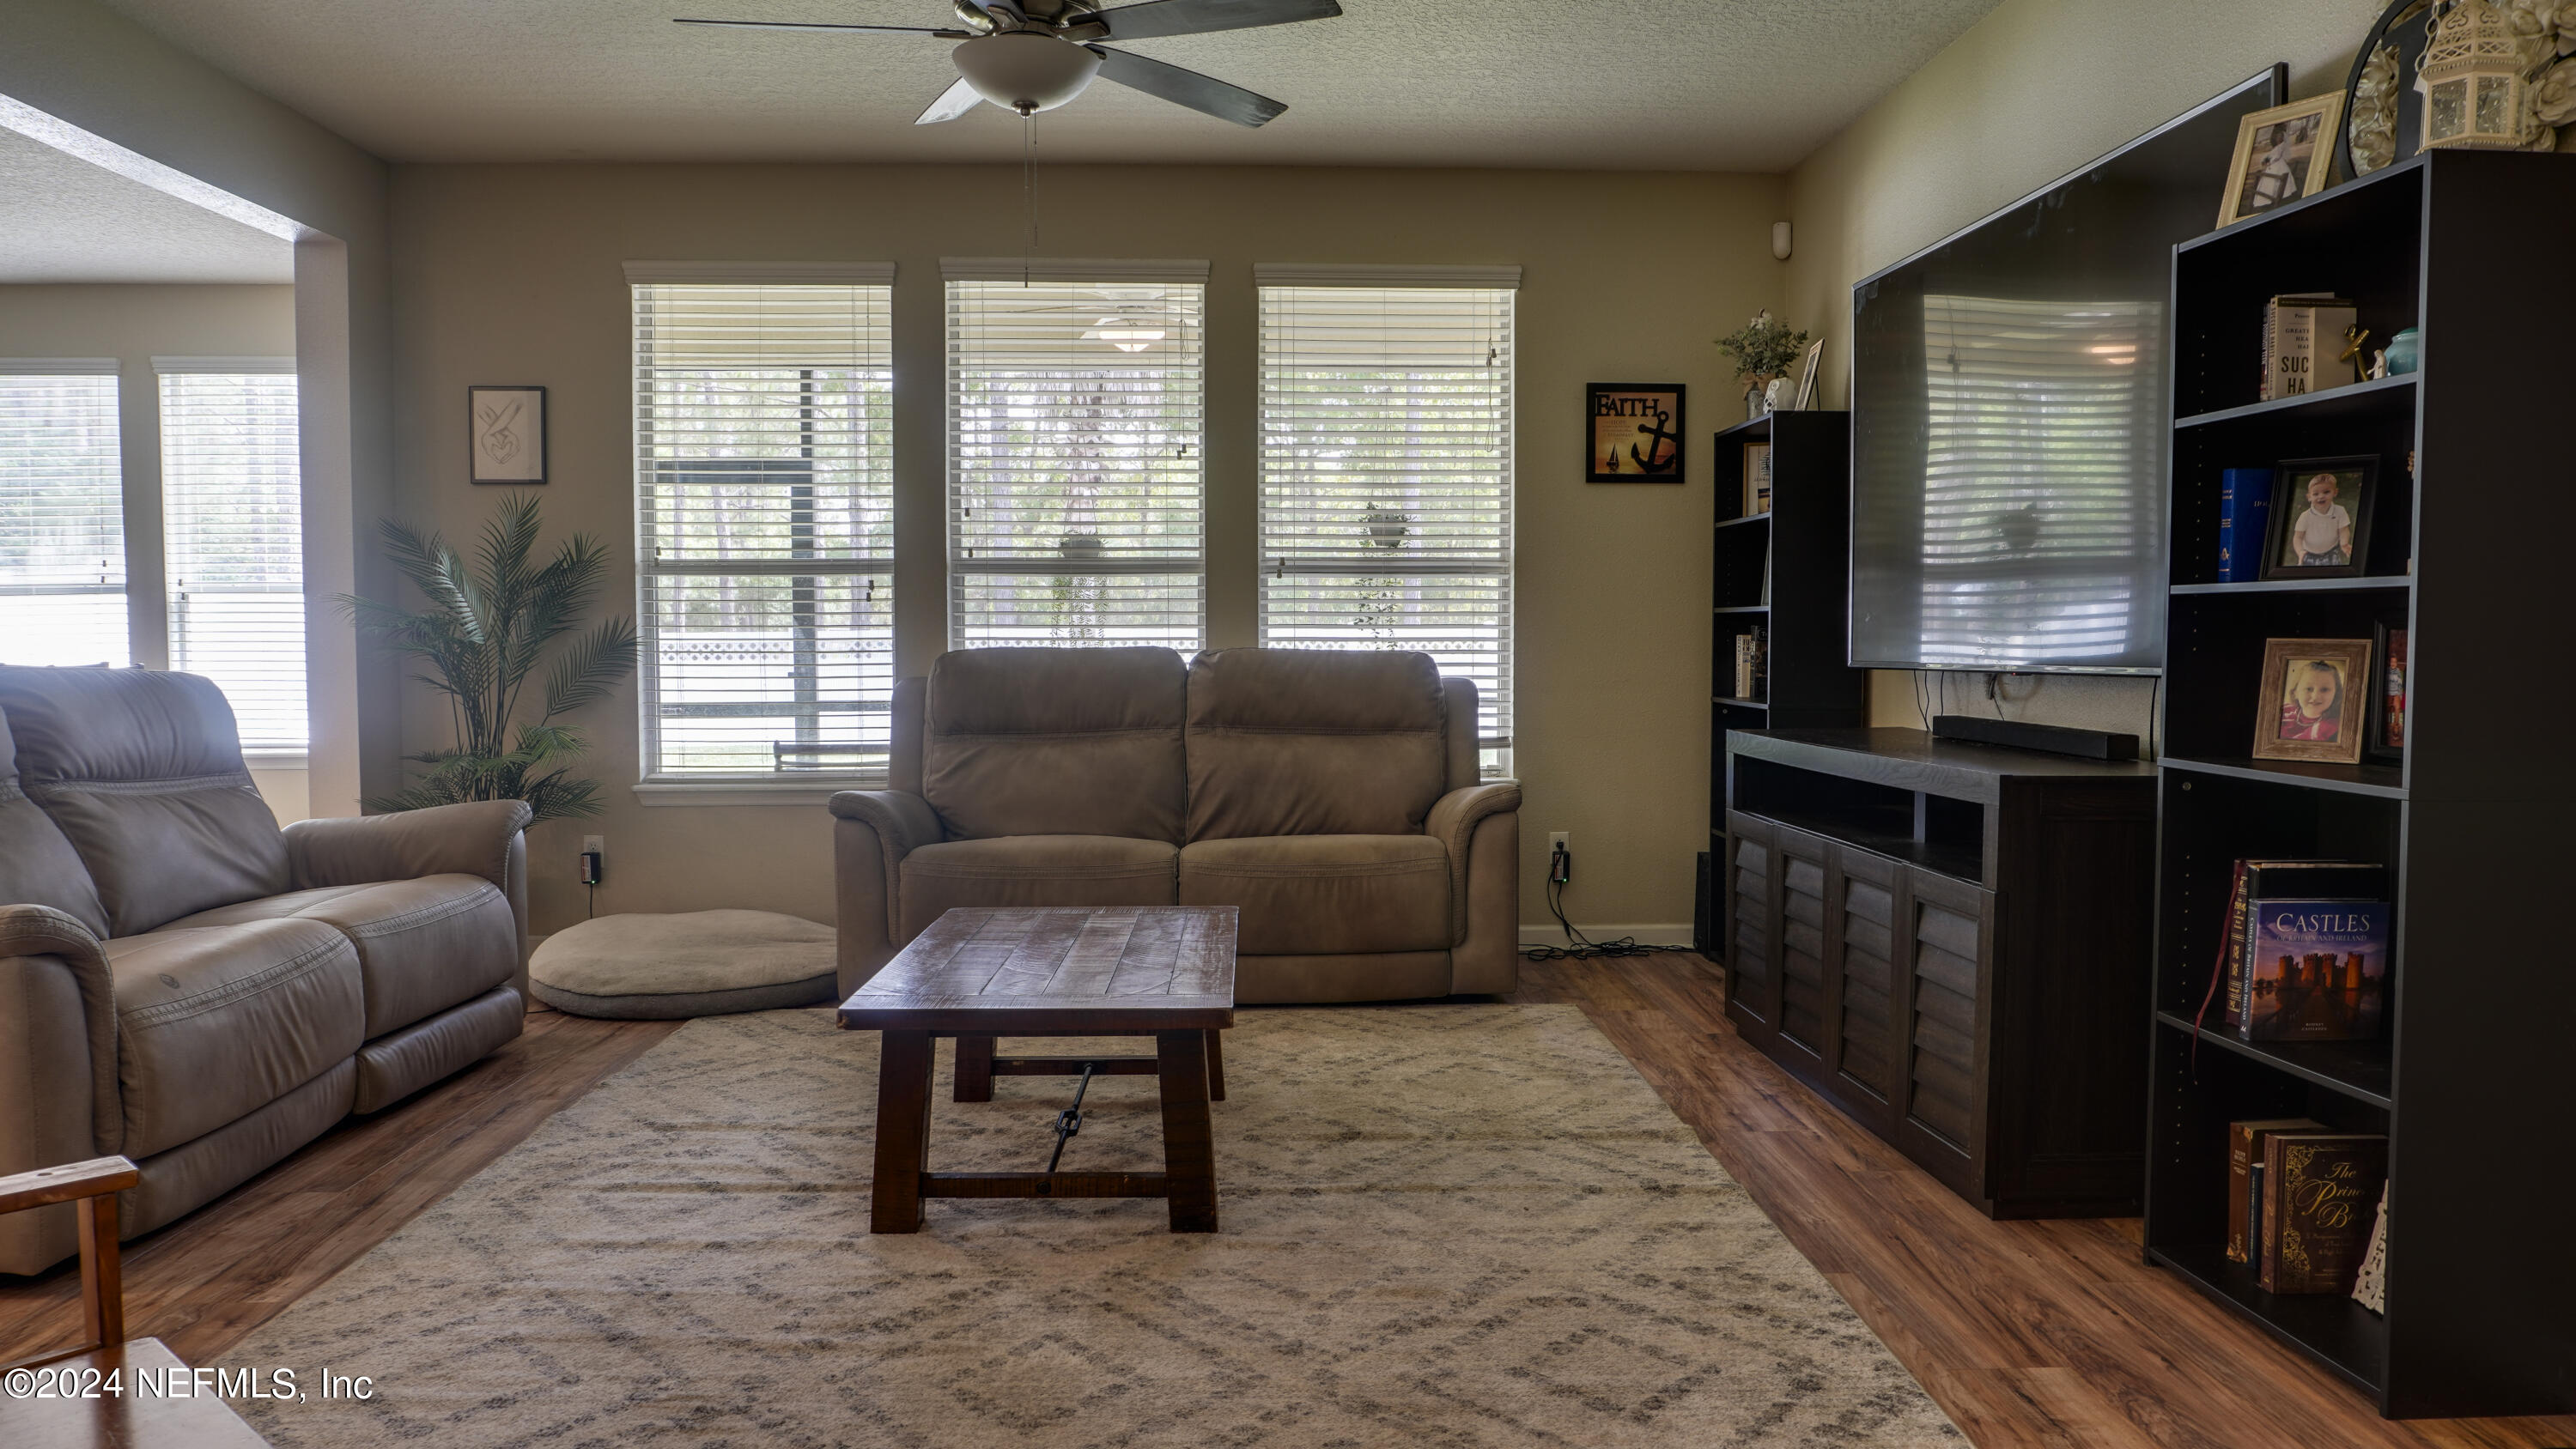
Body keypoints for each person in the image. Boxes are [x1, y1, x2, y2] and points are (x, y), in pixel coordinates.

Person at [2287, 471, 2354, 567]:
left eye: (2326, 492)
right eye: (2316, 494)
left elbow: (2343, 530)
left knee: (2334, 573)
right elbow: (2298, 537)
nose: (2321, 496)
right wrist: (2300, 551)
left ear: (2335, 492)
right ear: (2309, 497)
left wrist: (2344, 543)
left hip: (2331, 552)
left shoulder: (2340, 511)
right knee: (2309, 575)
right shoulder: (2305, 516)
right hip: (2309, 554)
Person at [2278, 658, 2342, 742]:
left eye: (2325, 689)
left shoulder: (2336, 726)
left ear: (2336, 694)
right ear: (2295, 692)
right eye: (2309, 689)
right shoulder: (2282, 712)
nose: (2315, 696)